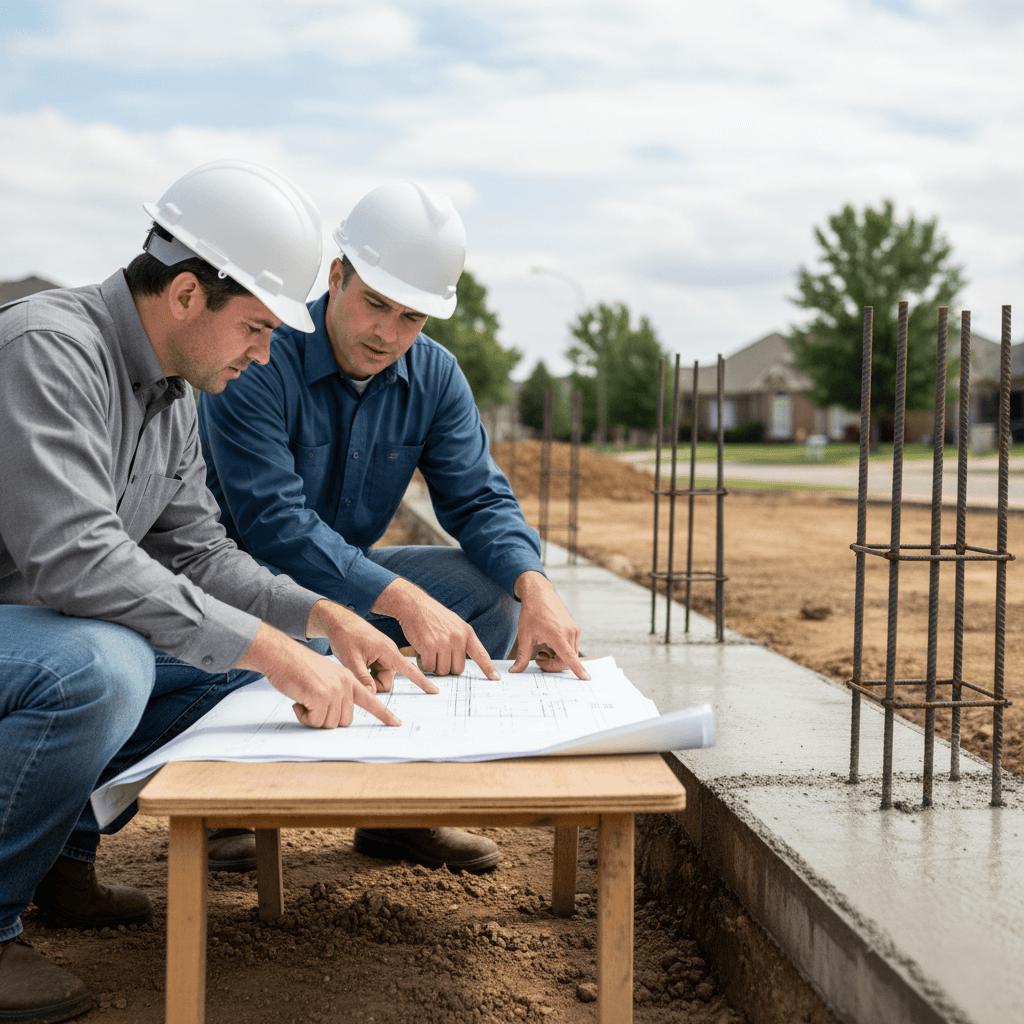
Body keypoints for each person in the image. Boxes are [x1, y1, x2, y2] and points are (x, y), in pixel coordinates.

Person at [0, 160, 436, 1023]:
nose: (268, 351)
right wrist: (271, 646)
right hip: (35, 634)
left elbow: (200, 552)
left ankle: (55, 854)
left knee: (246, 672)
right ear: (188, 294)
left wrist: (323, 620)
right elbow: (74, 560)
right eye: (256, 327)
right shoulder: (49, 349)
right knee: (105, 667)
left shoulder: (173, 394)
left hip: (41, 636)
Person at [198, 181, 589, 874]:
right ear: (337, 275)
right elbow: (272, 523)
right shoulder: (261, 356)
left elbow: (478, 501)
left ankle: (397, 816)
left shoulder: (436, 377)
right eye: (375, 303)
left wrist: (537, 587)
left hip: (348, 578)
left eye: (412, 318)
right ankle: (230, 805)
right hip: (238, 584)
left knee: (484, 596)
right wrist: (403, 599)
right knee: (324, 618)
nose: (388, 333)